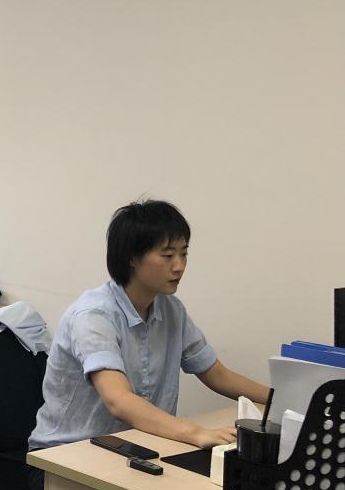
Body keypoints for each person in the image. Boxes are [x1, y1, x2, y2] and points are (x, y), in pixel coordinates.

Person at [28, 200, 268, 472]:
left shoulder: (171, 309)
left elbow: (216, 374)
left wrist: (279, 400)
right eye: (167, 255)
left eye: (184, 254)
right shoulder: (94, 315)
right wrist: (196, 433)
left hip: (135, 449)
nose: (179, 266)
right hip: (63, 458)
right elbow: (118, 400)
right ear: (131, 258)